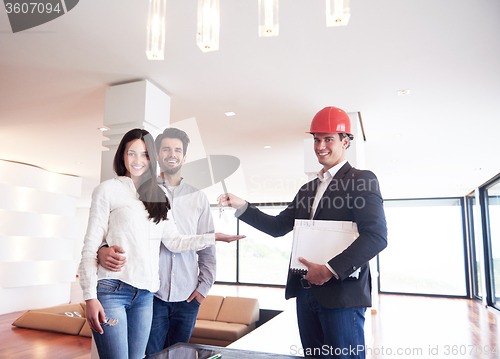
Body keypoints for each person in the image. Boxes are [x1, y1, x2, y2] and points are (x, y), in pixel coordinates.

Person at [217, 107, 387, 359]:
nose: (320, 145)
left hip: (341, 296)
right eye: (316, 139)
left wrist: (329, 269)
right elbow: (277, 227)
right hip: (306, 294)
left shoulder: (361, 180)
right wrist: (242, 205)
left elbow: (376, 236)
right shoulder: (308, 189)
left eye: (328, 138)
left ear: (345, 141)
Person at [78, 128, 243, 359]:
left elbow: (174, 241)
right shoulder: (108, 189)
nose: (138, 160)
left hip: (146, 294)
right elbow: (90, 245)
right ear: (122, 156)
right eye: (131, 153)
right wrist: (89, 296)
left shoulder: (159, 194)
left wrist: (213, 237)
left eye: (144, 154)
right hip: (114, 290)